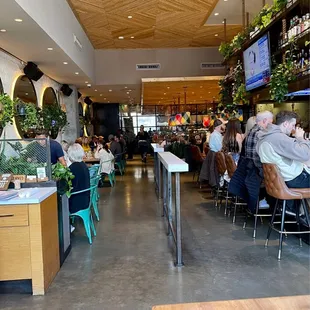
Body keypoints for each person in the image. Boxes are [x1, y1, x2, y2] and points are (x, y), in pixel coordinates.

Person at [257, 111, 310, 189]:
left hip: (279, 180)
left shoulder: (264, 137)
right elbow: (305, 155)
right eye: (293, 125)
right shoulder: (280, 138)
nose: (293, 128)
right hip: (293, 179)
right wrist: (301, 139)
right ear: (285, 124)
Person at [67, 143, 90, 215]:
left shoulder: (72, 168)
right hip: (85, 199)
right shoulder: (83, 165)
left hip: (77, 202)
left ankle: (67, 225)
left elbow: (68, 186)